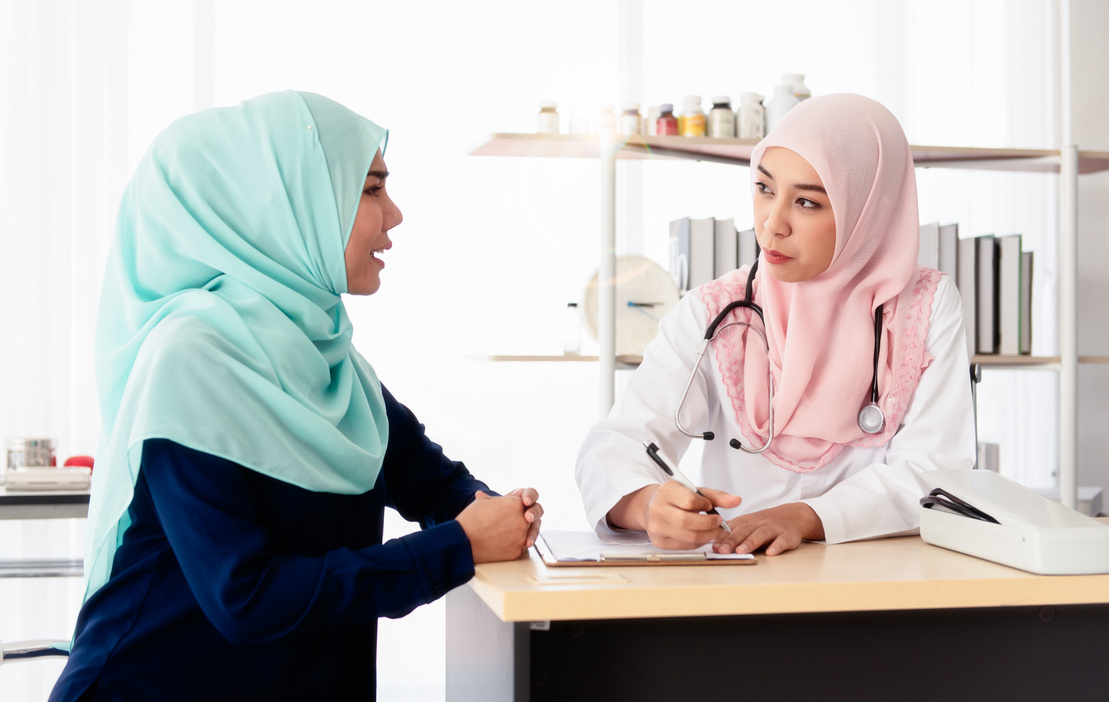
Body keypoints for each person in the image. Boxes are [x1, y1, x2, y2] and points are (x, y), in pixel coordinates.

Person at [50, 91, 543, 701]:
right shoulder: (190, 359)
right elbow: (246, 599)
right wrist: (459, 546)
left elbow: (436, 484)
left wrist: (503, 514)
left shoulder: (327, 361)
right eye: (370, 190)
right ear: (286, 206)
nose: (395, 215)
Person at [576, 93, 975, 558]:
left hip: (876, 585)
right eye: (765, 189)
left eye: (807, 202)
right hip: (741, 584)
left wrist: (806, 517)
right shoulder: (716, 311)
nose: (772, 225)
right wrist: (646, 506)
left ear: (867, 210)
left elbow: (936, 472)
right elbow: (617, 443)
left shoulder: (924, 308)